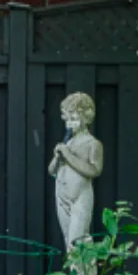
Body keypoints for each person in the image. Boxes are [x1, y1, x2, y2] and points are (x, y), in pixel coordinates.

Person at [48, 92, 103, 251]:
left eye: (74, 119)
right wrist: (57, 156)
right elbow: (52, 170)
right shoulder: (68, 142)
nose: (70, 124)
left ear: (85, 118)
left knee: (78, 240)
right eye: (67, 120)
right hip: (61, 195)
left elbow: (95, 170)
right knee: (67, 240)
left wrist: (68, 155)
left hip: (80, 197)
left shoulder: (92, 144)